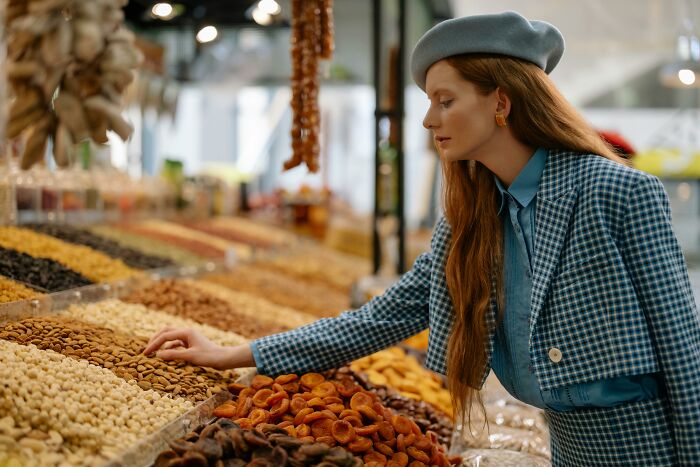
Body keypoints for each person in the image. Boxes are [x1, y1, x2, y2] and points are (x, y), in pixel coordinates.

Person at [143, 11, 700, 465]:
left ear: (501, 102)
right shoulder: (472, 218)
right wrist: (237, 353)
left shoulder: (617, 191)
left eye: (445, 99)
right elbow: (385, 316)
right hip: (565, 443)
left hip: (649, 445)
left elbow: (684, 347)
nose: (430, 120)